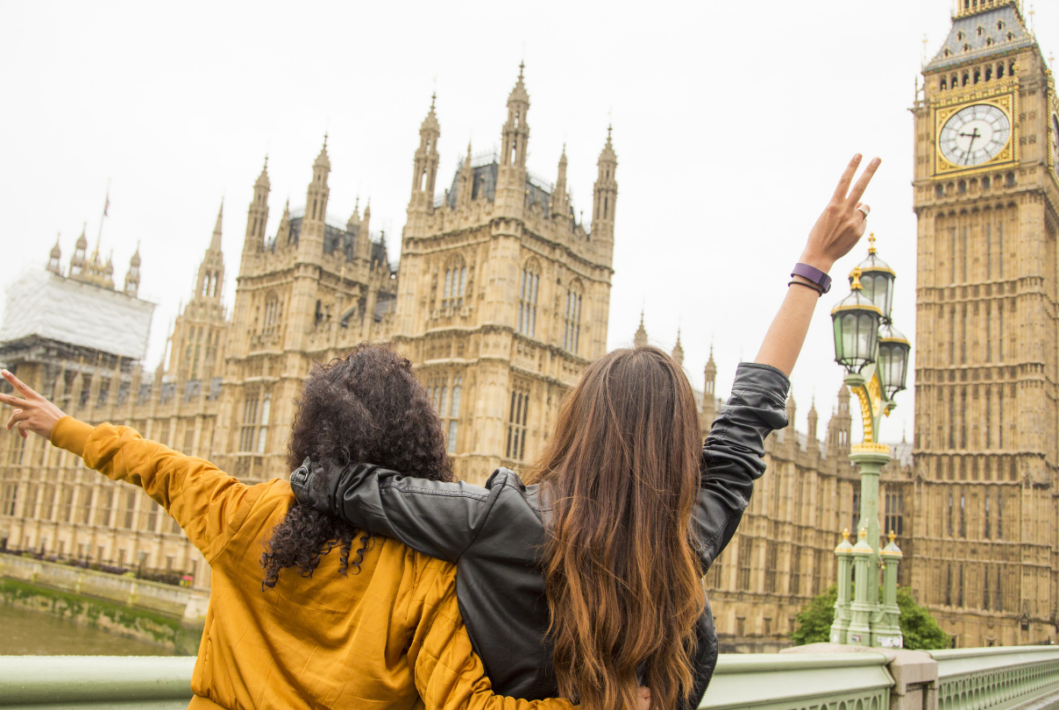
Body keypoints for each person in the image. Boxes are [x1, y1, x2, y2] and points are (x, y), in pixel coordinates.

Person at [293, 154, 883, 710]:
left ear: (577, 421)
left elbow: (348, 487)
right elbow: (750, 416)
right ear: (682, 447)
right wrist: (813, 267)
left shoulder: (499, 520)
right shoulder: (686, 539)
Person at [0, 346, 650, 710]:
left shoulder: (247, 515)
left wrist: (62, 425)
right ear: (417, 446)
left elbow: (156, 466)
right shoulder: (426, 571)